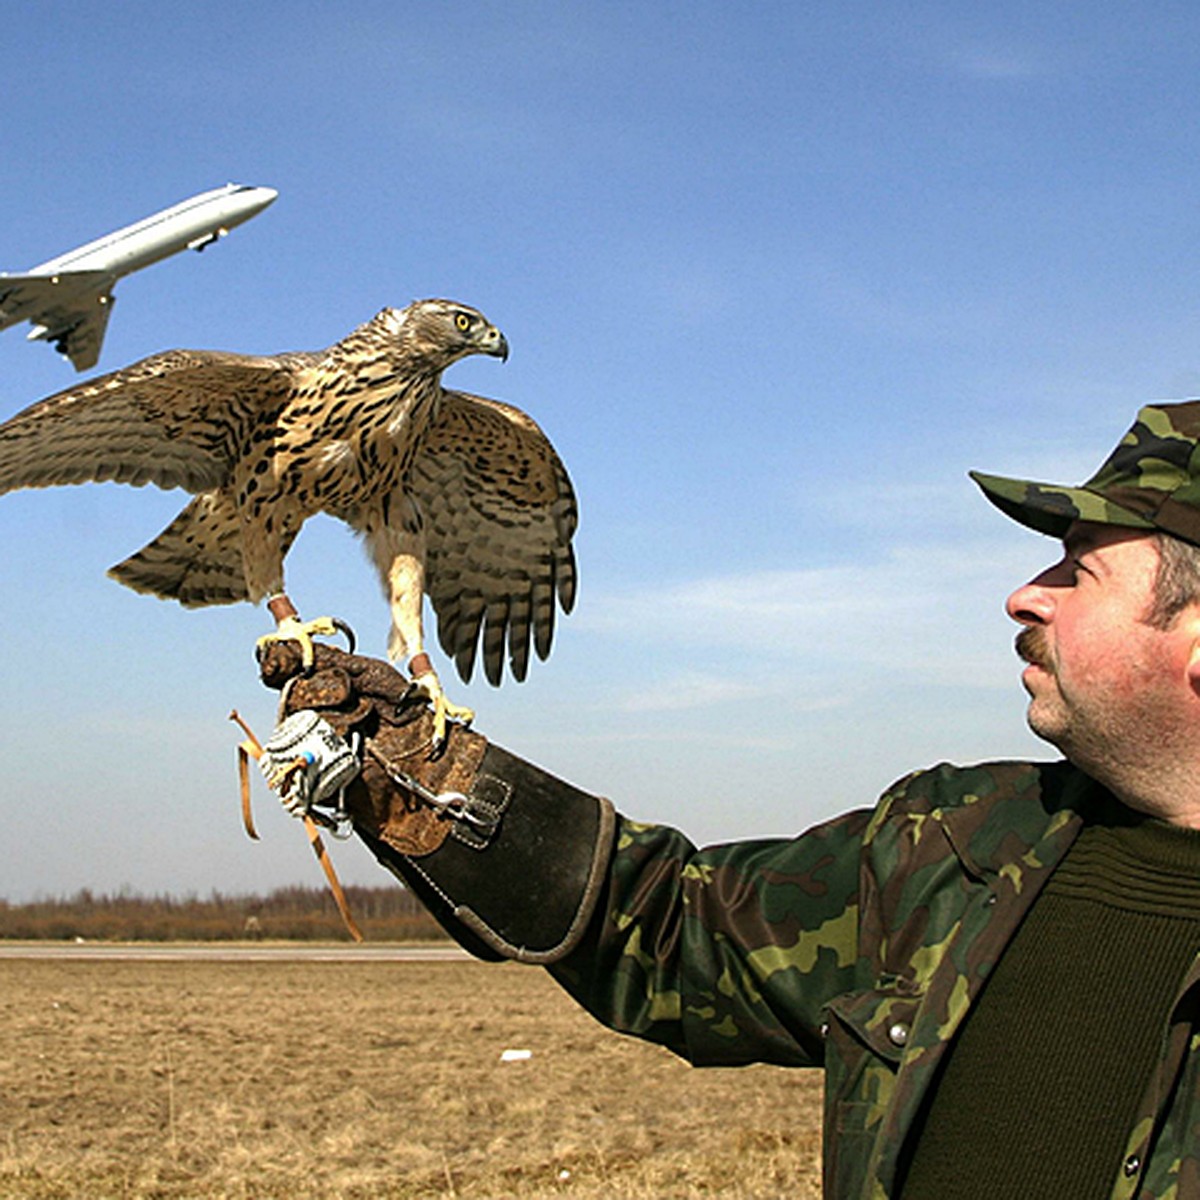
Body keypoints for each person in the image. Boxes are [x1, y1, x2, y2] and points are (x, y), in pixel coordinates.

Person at [270, 401, 1200, 1199]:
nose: (1021, 596)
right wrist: (428, 778)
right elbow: (666, 930)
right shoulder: (958, 847)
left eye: (1077, 569)